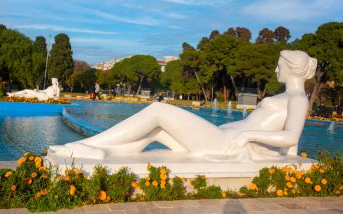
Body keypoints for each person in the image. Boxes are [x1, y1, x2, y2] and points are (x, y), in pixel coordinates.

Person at [49, 50, 317, 160]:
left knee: (158, 111)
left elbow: (291, 136)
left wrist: (249, 135)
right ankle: (102, 152)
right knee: (156, 131)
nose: (275, 69)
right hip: (221, 137)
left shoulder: (297, 99)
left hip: (224, 145)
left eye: (279, 65)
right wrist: (291, 157)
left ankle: (93, 145)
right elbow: (292, 145)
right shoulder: (288, 98)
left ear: (293, 69)